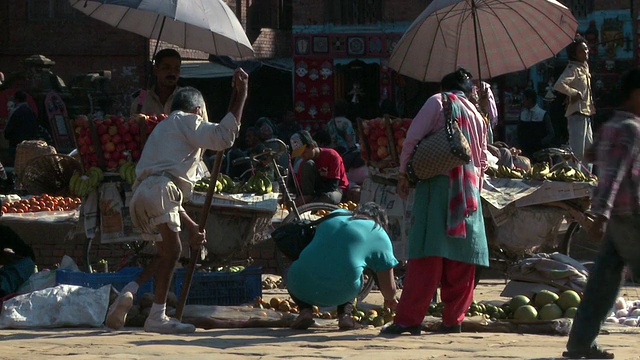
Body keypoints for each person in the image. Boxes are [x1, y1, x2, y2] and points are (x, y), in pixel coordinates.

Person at [106, 68, 249, 334]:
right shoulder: (186, 120)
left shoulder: (162, 129)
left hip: (143, 196)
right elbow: (224, 137)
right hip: (160, 191)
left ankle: (130, 289)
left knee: (167, 252)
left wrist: (192, 226)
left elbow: (167, 193)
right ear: (197, 110)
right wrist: (241, 95)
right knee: (173, 251)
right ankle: (156, 317)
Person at [381, 68, 489, 336]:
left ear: (446, 85)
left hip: (438, 186)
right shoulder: (477, 114)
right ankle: (454, 320)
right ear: (468, 89)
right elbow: (483, 159)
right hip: (469, 191)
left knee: (427, 255)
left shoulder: (438, 101)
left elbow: (412, 140)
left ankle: (409, 320)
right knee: (462, 259)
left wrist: (404, 173)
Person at [560, 68, 640, 360]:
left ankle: (580, 344)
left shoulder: (612, 126)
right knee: (603, 283)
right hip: (630, 217)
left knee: (602, 284)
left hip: (617, 218)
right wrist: (602, 214)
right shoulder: (629, 128)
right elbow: (614, 175)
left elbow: (595, 158)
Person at [288, 202, 399, 330]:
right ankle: (345, 316)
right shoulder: (379, 233)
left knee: (299, 267)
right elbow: (389, 289)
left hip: (299, 284)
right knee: (356, 273)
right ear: (382, 222)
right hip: (341, 291)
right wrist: (390, 299)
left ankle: (305, 311)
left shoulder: (335, 215)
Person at [131, 49, 209, 122]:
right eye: (166, 68)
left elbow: (204, 131)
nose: (172, 73)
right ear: (155, 70)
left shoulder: (192, 100)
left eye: (176, 69)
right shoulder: (141, 101)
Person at [553, 35, 595, 161]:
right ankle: (574, 177)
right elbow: (559, 85)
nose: (585, 52)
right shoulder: (573, 69)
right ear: (575, 54)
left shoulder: (584, 68)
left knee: (589, 151)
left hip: (586, 113)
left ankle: (587, 177)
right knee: (577, 152)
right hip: (577, 114)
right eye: (581, 51)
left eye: (586, 49)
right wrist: (573, 93)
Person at [289, 130, 349, 206]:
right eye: (300, 154)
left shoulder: (332, 155)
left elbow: (333, 186)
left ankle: (311, 203)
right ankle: (312, 202)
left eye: (304, 152)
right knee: (307, 164)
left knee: (329, 197)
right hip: (318, 191)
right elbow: (300, 187)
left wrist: (311, 197)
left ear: (311, 146)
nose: (302, 156)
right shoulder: (305, 162)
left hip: (336, 189)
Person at [4, 90, 43, 161]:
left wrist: (7, 135)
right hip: (30, 144)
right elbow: (36, 127)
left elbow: (9, 129)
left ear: (16, 100)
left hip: (16, 144)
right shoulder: (31, 111)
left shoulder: (16, 112)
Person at [518, 89, 555, 158]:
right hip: (525, 152)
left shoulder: (542, 114)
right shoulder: (522, 115)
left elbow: (551, 133)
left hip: (540, 152)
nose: (522, 102)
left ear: (530, 100)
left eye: (524, 99)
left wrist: (541, 143)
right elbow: (519, 132)